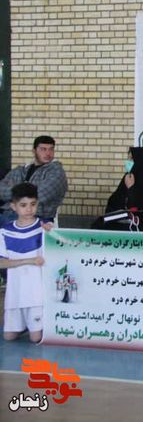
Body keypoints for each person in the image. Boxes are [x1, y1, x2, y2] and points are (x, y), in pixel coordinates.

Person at [1, 183, 52, 343]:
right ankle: (25, 326)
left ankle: (39, 324)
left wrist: (52, 233)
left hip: (36, 293)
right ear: (13, 206)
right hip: (15, 293)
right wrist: (29, 260)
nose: (29, 209)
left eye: (33, 204)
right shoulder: (5, 231)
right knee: (9, 337)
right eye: (23, 205)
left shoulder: (45, 228)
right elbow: (2, 263)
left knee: (35, 338)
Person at [93, 147, 143, 232]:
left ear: (141, 160)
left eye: (131, 158)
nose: (128, 162)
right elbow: (114, 202)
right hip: (129, 221)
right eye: (128, 158)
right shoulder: (130, 177)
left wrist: (131, 189)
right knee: (100, 223)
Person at [0, 135, 68, 225]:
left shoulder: (56, 172)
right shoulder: (21, 170)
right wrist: (24, 191)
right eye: (43, 149)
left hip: (38, 218)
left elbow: (40, 195)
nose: (48, 153)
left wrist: (15, 192)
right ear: (34, 151)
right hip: (8, 213)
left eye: (51, 149)